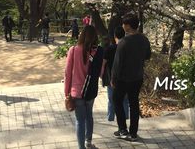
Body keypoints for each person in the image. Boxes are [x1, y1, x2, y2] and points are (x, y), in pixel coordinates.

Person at [111, 13, 151, 142]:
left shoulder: (124, 42)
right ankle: (133, 133)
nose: (123, 26)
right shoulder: (144, 39)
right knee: (134, 103)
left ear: (127, 26)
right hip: (137, 77)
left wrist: (113, 79)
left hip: (123, 78)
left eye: (124, 23)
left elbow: (117, 64)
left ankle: (123, 129)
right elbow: (147, 56)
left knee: (117, 100)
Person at [64, 25, 104, 149]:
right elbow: (101, 72)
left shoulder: (73, 50)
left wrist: (66, 92)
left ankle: (81, 147)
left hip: (77, 92)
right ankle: (88, 142)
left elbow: (67, 73)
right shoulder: (98, 51)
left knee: (80, 121)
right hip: (91, 91)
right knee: (89, 116)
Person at [103, 27, 129, 122]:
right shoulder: (127, 47)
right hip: (126, 77)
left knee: (111, 100)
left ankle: (110, 118)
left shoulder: (109, 49)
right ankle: (126, 118)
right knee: (125, 100)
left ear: (115, 36)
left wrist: (101, 75)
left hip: (112, 77)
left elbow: (103, 63)